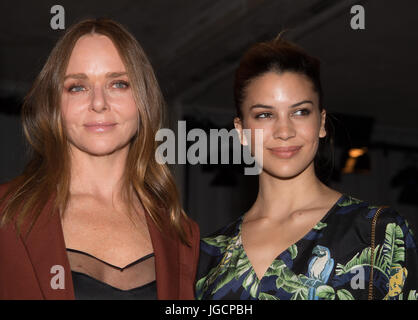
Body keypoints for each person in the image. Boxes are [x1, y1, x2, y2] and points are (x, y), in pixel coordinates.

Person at [195, 35, 418, 300]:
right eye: (265, 115)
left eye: (300, 112)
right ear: (242, 132)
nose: (284, 131)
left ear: (321, 122)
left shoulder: (378, 231)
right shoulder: (205, 256)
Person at [0, 18, 199, 300]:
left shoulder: (182, 234)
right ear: (54, 105)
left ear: (143, 100)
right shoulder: (6, 214)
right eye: (77, 87)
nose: (98, 103)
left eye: (118, 84)